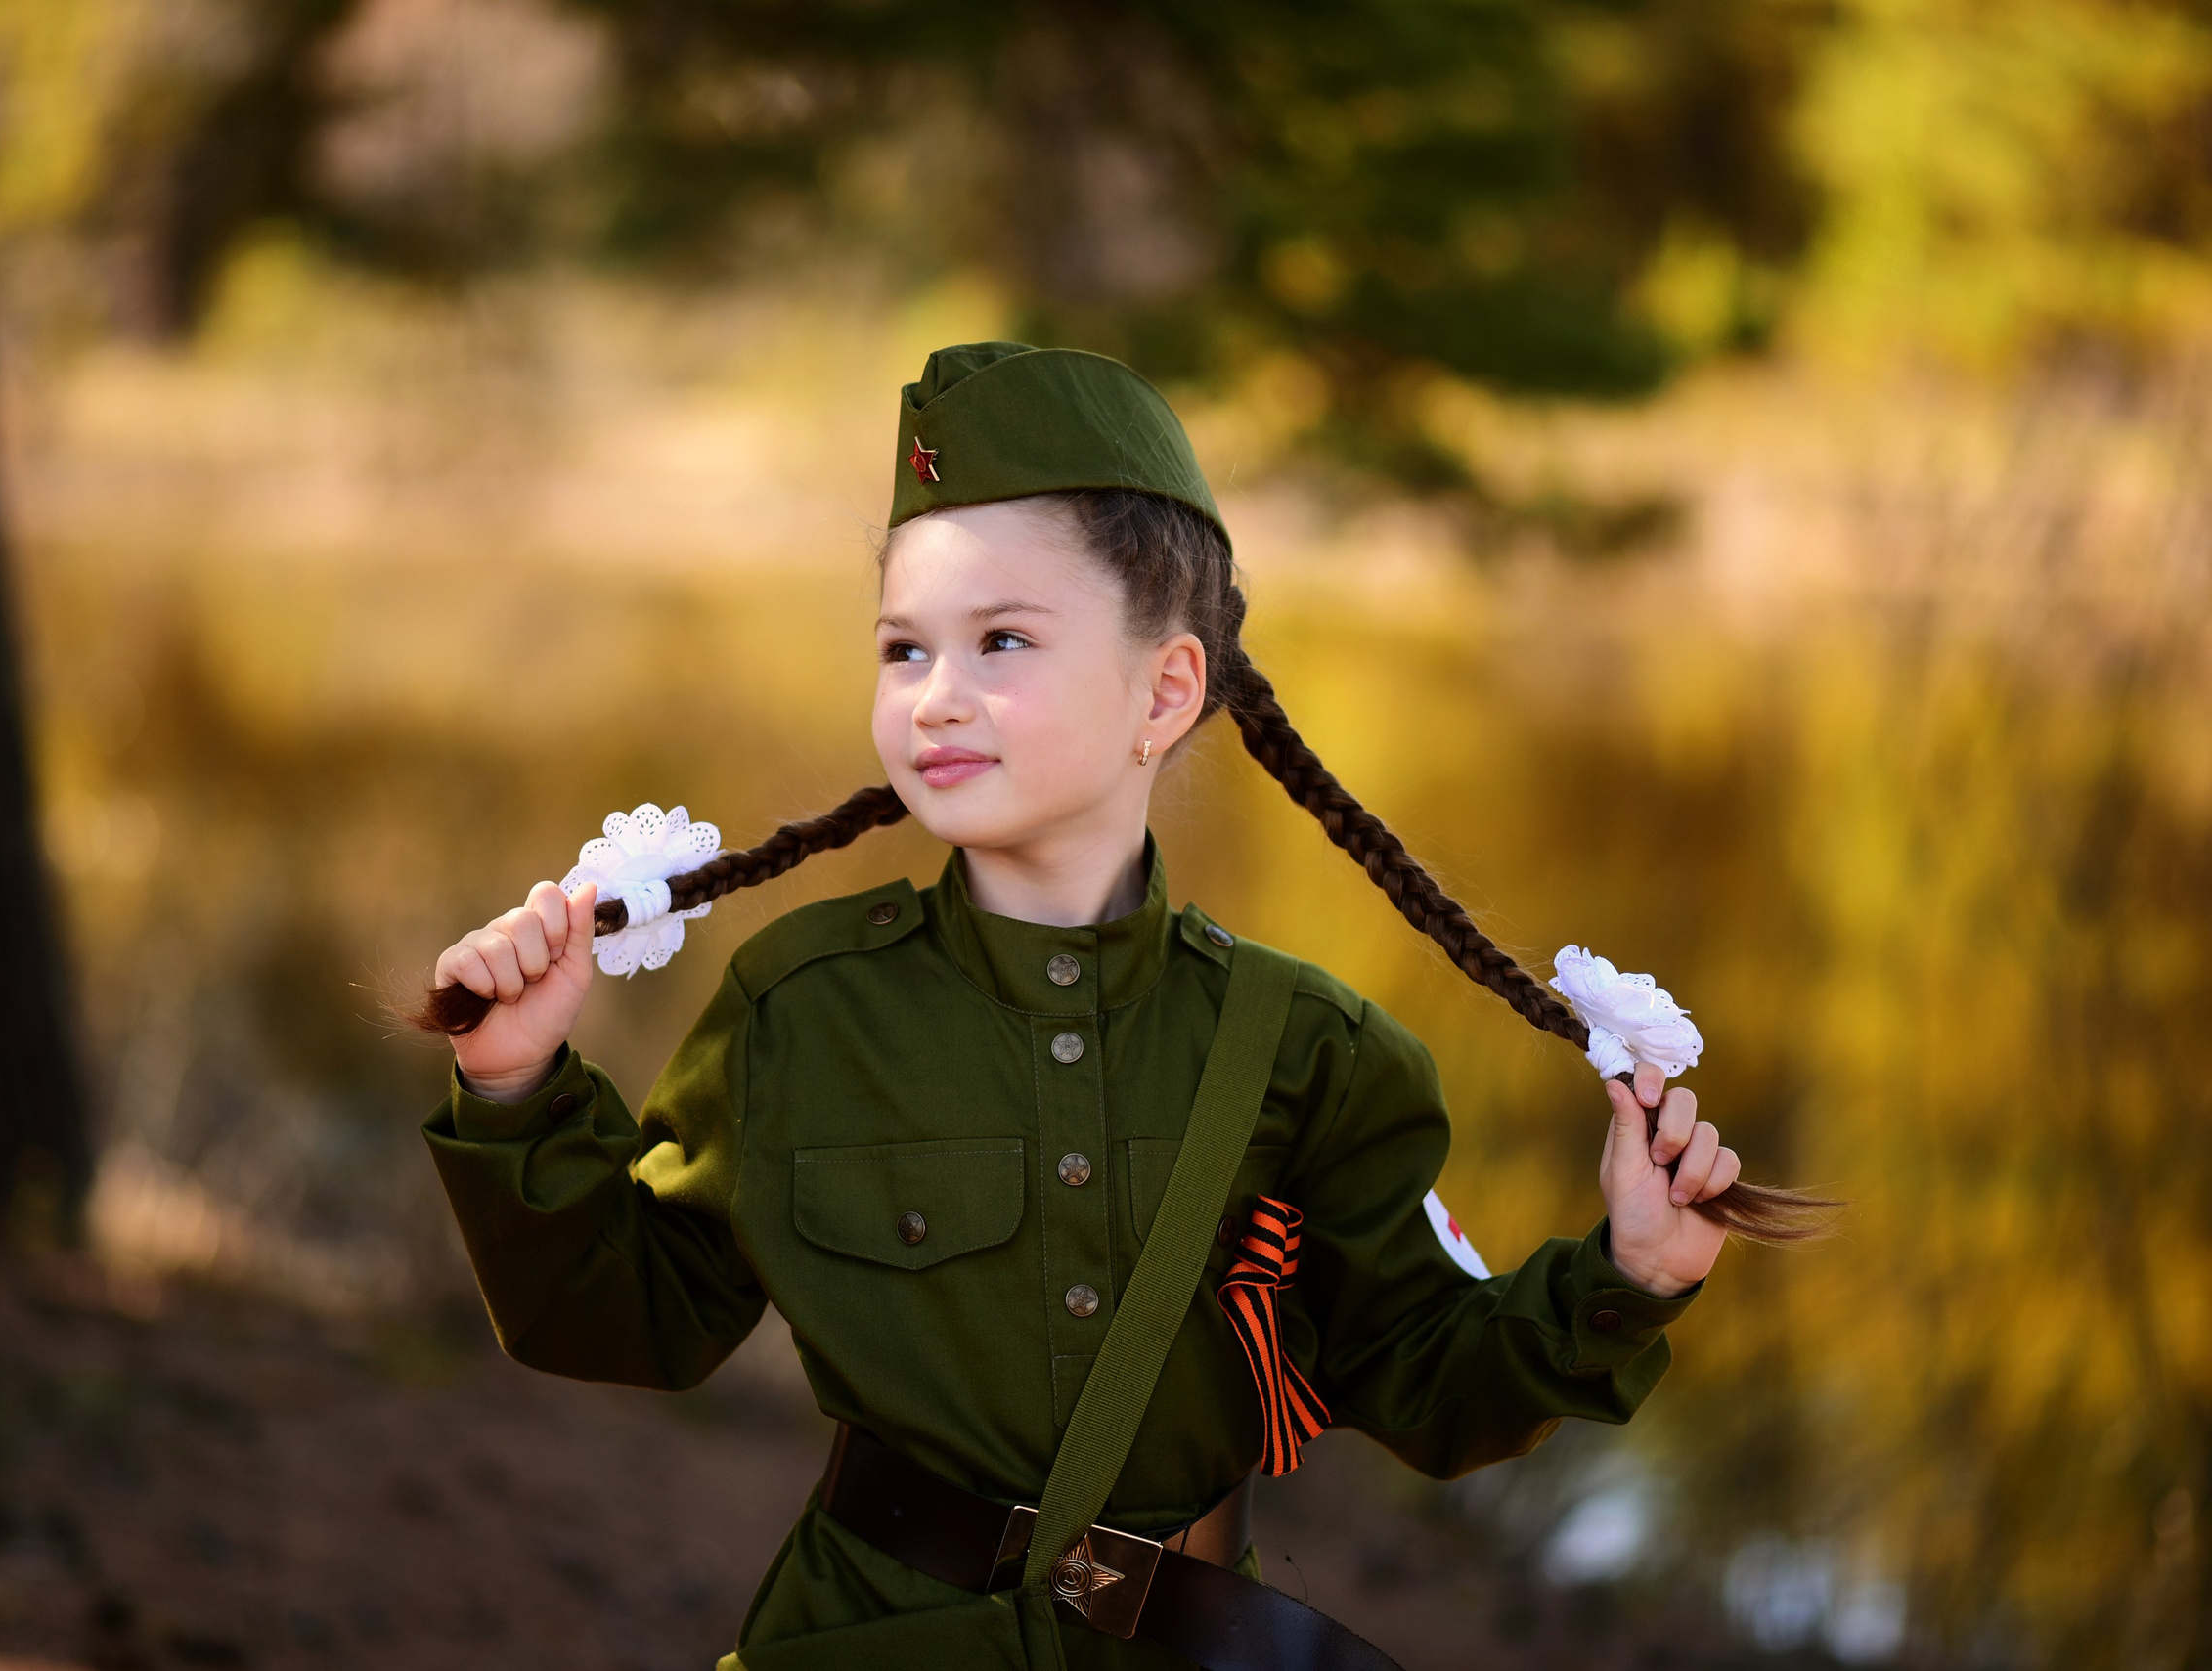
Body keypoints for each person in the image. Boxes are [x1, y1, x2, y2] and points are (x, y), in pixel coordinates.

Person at [418, 343, 1805, 1670]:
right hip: (867, 1647)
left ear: (1167, 688)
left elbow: (1427, 1378)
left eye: (1002, 640)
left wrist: (1629, 1279)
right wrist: (514, 1087)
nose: (936, 697)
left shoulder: (1307, 1050)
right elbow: (627, 1316)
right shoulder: (798, 1010)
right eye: (905, 649)